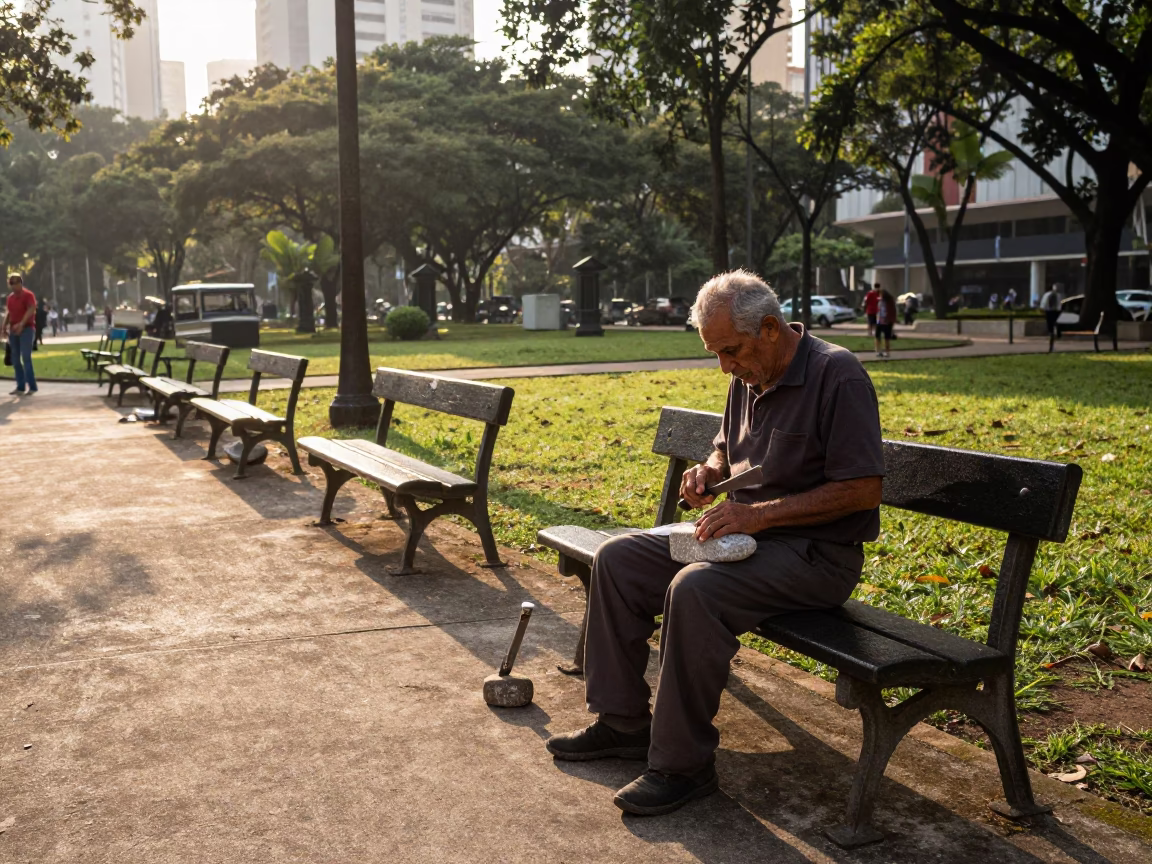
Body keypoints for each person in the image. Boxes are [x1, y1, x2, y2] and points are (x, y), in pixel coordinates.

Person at [545, 270, 884, 816]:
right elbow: (725, 449)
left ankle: (683, 765)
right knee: (618, 558)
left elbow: (863, 489)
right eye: (716, 353)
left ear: (770, 328)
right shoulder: (748, 377)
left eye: (730, 350)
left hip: (817, 556)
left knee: (695, 589)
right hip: (743, 539)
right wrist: (706, 471)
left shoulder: (836, 375)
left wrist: (761, 516)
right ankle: (623, 722)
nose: (725, 366)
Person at [2, 273, 39, 395]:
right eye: (11, 283)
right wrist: (4, 326)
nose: (14, 286)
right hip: (13, 330)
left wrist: (22, 324)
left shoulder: (28, 295)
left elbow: (31, 309)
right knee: (15, 359)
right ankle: (20, 386)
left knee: (26, 357)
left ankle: (32, 386)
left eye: (16, 283)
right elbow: (9, 313)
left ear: (21, 283)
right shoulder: (10, 298)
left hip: (27, 329)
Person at [874, 289, 896, 357]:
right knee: (877, 337)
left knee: (887, 338)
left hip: (887, 322)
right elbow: (877, 310)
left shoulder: (889, 301)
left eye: (881, 294)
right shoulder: (879, 301)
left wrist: (892, 321)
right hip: (879, 321)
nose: (880, 295)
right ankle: (878, 351)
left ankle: (887, 352)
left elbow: (893, 311)